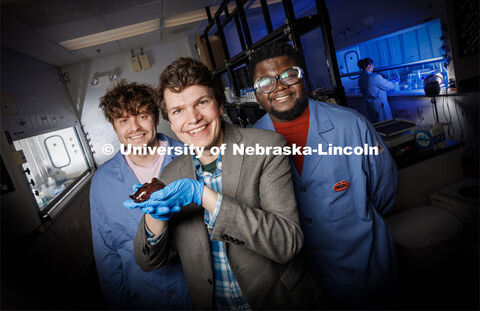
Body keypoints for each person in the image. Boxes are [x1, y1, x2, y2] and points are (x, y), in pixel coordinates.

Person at [124, 57, 324, 310]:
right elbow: (148, 262)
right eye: (178, 111)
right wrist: (156, 219)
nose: (193, 118)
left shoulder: (266, 147)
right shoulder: (171, 172)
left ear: (219, 105)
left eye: (202, 103)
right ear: (171, 122)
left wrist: (204, 196)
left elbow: (287, 243)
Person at [248, 42, 400, 307]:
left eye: (288, 75)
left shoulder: (351, 124)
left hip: (363, 272)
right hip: (304, 285)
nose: (279, 87)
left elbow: (385, 191)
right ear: (256, 93)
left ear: (302, 77)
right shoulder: (251, 144)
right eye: (265, 82)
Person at [90, 80, 190, 310]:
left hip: (196, 291)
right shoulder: (102, 182)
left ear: (156, 118)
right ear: (115, 127)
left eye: (142, 115)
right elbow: (106, 253)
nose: (134, 127)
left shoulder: (190, 155)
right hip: (144, 298)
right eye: (123, 120)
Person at [357, 57, 395, 123]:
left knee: (376, 125)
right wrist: (394, 81)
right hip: (380, 106)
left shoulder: (360, 79)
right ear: (371, 65)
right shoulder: (375, 77)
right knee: (385, 124)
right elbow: (390, 86)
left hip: (370, 106)